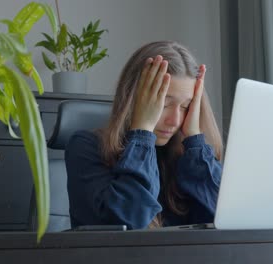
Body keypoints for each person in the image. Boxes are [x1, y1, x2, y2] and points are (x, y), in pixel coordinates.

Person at [65, 40, 223, 229]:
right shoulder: (85, 147)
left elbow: (223, 222)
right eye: (164, 104)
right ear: (133, 100)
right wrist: (143, 133)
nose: (175, 120)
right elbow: (129, 223)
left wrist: (195, 141)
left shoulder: (187, 157)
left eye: (185, 107)